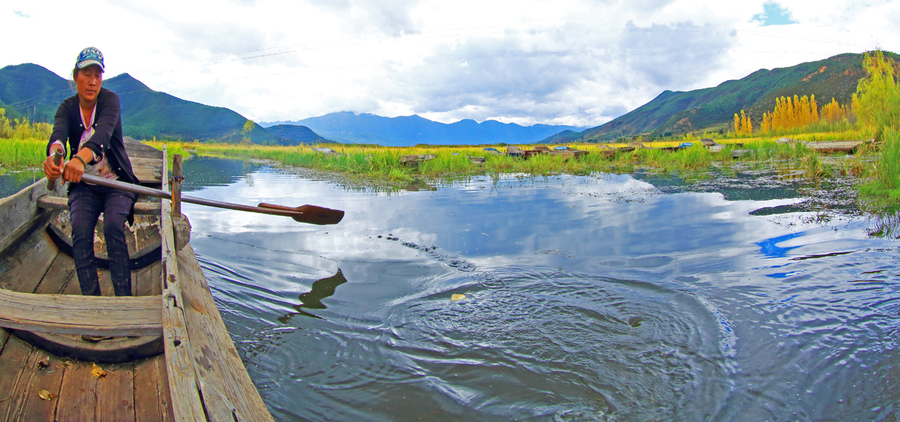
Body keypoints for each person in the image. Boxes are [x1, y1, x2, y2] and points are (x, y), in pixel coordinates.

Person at [43, 47, 139, 309]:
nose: (93, 81)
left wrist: (78, 160)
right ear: (76, 77)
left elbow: (102, 137)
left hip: (116, 183)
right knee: (81, 230)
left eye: (98, 75)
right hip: (84, 185)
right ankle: (93, 307)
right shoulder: (67, 107)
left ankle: (124, 306)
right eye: (87, 74)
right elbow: (58, 138)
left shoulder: (110, 101)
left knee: (112, 227)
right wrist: (56, 157)